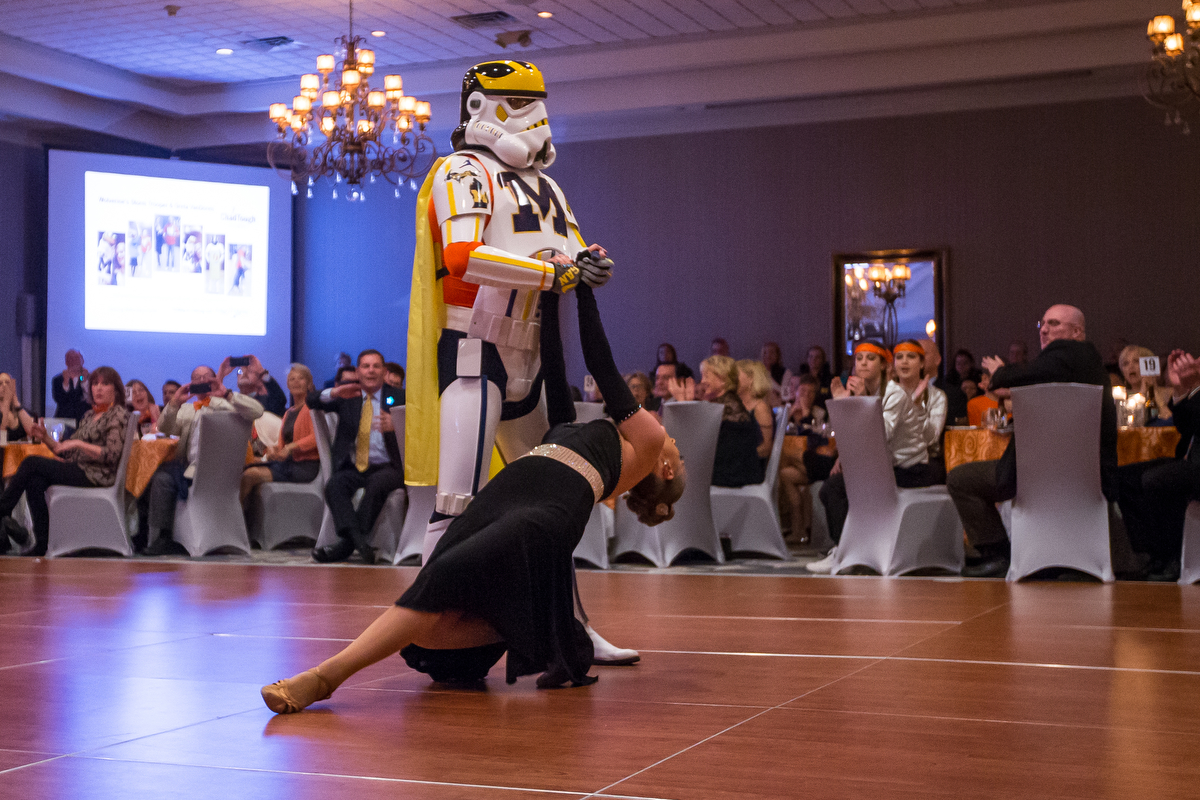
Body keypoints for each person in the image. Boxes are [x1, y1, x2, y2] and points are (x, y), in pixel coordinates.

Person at [261, 284, 685, 713]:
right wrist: (553, 294)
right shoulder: (588, 438)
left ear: (665, 469)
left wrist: (587, 294)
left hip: (542, 516)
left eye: (680, 453)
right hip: (504, 497)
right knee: (431, 604)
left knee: (434, 592)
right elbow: (555, 371)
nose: (674, 441)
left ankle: (322, 679)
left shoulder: (647, 442)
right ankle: (542, 629)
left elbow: (602, 365)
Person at [405, 60, 634, 665]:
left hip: (531, 353)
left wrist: (589, 264)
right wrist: (551, 272)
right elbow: (463, 256)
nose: (531, 116)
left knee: (554, 504)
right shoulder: (462, 170)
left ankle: (572, 629)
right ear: (479, 108)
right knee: (455, 502)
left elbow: (571, 248)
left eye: (536, 102)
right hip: (476, 349)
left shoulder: (547, 185)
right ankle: (427, 632)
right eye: (514, 102)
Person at [947, 304, 1117, 578]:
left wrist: (1001, 372)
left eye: (1054, 323)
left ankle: (998, 553)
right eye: (1043, 324)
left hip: (1038, 474)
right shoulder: (1082, 364)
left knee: (960, 479)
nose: (1045, 329)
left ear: (1077, 332)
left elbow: (1024, 373)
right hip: (1085, 475)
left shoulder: (1069, 354)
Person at [808, 341, 941, 574]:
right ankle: (846, 551)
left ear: (883, 366)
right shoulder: (865, 392)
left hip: (910, 468)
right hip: (884, 466)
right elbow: (849, 437)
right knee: (831, 488)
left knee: (835, 489)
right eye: (859, 359)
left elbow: (880, 437)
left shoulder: (894, 394)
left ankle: (847, 553)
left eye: (871, 359)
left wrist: (857, 404)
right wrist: (845, 405)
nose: (863, 364)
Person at [0, 367, 129, 556]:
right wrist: (44, 437)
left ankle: (3, 508)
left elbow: (112, 454)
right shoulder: (89, 415)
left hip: (97, 475)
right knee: (35, 481)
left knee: (31, 462)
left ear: (116, 390)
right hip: (78, 468)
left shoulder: (117, 414)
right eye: (95, 384)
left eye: (105, 384)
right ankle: (43, 543)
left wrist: (79, 443)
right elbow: (65, 452)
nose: (98, 389)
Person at [142, 360, 264, 556]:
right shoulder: (188, 409)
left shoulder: (228, 404)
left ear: (215, 379)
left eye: (205, 377)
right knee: (162, 476)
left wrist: (225, 393)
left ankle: (163, 536)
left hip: (219, 473)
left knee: (164, 476)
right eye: (195, 378)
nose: (200, 381)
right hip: (192, 470)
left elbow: (257, 411)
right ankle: (164, 536)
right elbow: (164, 428)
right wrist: (175, 402)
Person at [309, 350, 404, 564]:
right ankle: (359, 542)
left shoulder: (399, 397)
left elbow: (421, 425)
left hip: (389, 466)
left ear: (384, 371)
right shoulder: (348, 396)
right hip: (354, 466)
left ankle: (346, 546)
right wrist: (334, 393)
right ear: (358, 372)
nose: (371, 370)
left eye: (376, 366)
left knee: (377, 485)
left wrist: (398, 425)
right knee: (334, 485)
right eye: (366, 366)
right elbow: (311, 400)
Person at [1116, 349, 1200, 581]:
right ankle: (1152, 554)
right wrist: (1182, 390)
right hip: (1190, 458)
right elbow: (1188, 426)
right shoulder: (1123, 393)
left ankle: (1172, 556)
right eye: (1125, 363)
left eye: (1137, 361)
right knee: (1125, 478)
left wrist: (1192, 387)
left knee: (1159, 479)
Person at [240, 364, 321, 507]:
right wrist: (274, 449)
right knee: (244, 469)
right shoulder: (289, 413)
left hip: (305, 466)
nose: (296, 381)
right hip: (287, 464)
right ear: (288, 385)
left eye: (301, 378)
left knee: (249, 475)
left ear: (309, 384)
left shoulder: (313, 409)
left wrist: (291, 447)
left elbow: (317, 438)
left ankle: (236, 520)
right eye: (292, 379)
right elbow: (282, 445)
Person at [679, 355, 763, 488]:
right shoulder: (727, 403)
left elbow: (691, 442)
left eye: (706, 376)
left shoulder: (725, 408)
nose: (702, 381)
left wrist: (683, 403)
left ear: (723, 380)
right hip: (734, 473)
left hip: (731, 477)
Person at [777, 374, 830, 541]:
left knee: (784, 459)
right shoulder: (785, 410)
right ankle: (798, 530)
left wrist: (806, 416)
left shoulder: (820, 414)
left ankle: (802, 528)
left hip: (814, 460)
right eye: (803, 391)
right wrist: (790, 416)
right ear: (796, 391)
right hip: (802, 465)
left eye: (811, 392)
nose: (806, 396)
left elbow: (818, 441)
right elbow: (778, 436)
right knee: (785, 474)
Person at [891, 339, 948, 483]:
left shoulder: (937, 396)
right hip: (891, 460)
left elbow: (931, 439)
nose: (904, 361)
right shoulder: (887, 394)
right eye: (899, 357)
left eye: (911, 356)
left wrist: (917, 408)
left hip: (924, 462)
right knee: (833, 486)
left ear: (922, 363)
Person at [1118, 345, 1172, 424]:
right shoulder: (1121, 398)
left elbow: (1170, 422)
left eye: (1136, 361)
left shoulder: (1169, 393)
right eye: (1125, 363)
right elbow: (1129, 424)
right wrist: (1143, 391)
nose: (1130, 366)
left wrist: (1153, 391)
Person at [921, 338, 967, 426]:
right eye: (915, 355)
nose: (920, 358)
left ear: (937, 359)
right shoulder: (903, 390)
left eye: (924, 353)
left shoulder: (954, 394)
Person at [737, 360, 775, 461]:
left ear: (750, 379)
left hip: (750, 465)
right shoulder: (736, 405)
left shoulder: (760, 408)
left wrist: (737, 457)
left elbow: (766, 447)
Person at [52, 349, 91, 424]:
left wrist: (85, 382)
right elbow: (58, 399)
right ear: (66, 362)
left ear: (82, 360)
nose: (74, 362)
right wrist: (66, 383)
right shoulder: (58, 379)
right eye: (71, 359)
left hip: (85, 420)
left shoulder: (90, 378)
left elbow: (90, 399)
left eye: (77, 358)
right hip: (64, 420)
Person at [0, 373, 35, 443]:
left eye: (7, 383)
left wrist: (15, 401)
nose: (4, 386)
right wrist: (6, 403)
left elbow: (33, 435)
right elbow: (1, 440)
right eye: (0, 383)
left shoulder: (20, 411)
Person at [760, 341, 792, 408]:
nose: (768, 355)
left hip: (777, 408)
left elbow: (786, 396)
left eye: (771, 352)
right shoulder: (757, 372)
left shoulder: (786, 373)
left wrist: (770, 381)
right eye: (765, 352)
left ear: (777, 355)